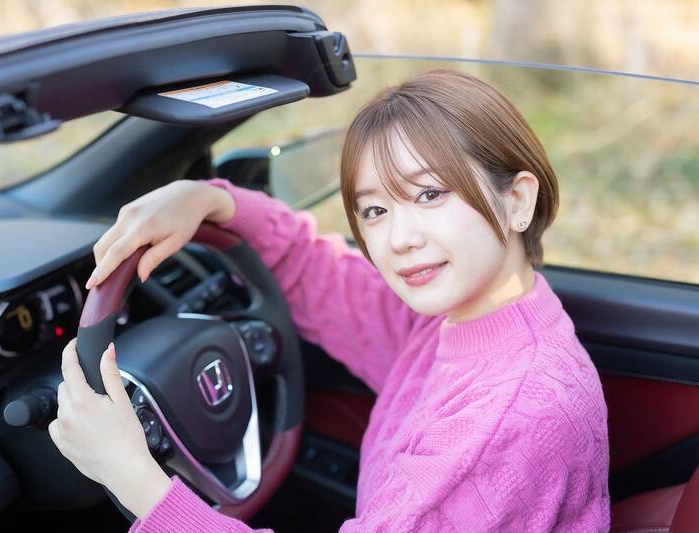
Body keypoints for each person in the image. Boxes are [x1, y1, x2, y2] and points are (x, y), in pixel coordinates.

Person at [48, 69, 611, 531]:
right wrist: (207, 201)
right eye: (376, 210)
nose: (399, 239)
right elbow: (321, 275)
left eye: (430, 194)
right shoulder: (465, 318)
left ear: (517, 202)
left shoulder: (504, 422)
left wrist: (132, 475)